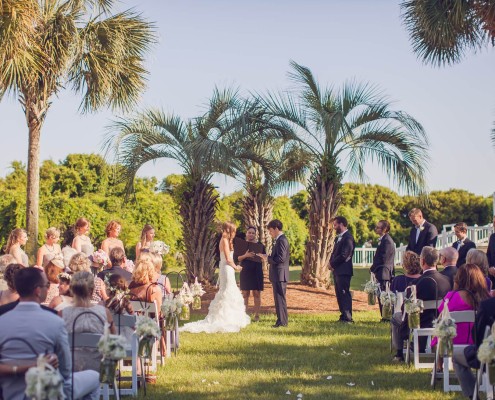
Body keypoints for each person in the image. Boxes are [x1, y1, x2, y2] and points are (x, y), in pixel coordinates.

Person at [0, 268, 100, 400]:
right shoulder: (55, 322)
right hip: (48, 392)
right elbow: (65, 369)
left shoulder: (2, 321)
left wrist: (18, 370)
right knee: (94, 377)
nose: (48, 289)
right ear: (37, 290)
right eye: (46, 285)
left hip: (9, 393)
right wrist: (34, 366)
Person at [181, 222, 250, 333]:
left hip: (228, 268)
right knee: (228, 290)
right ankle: (225, 318)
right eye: (234, 231)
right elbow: (228, 259)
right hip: (227, 268)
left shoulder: (227, 241)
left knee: (228, 290)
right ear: (229, 230)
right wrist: (236, 267)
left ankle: (232, 316)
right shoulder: (224, 241)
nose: (235, 233)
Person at [61, 271, 115, 372]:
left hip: (71, 368)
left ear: (72, 290)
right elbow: (113, 339)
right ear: (92, 290)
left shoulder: (63, 314)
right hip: (98, 367)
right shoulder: (104, 312)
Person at [431, 264, 489, 349]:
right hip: (479, 346)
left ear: (459, 279)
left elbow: (440, 316)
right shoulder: (486, 299)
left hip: (451, 345)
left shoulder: (450, 297)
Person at [453, 295, 495, 398]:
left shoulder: (488, 305)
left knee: (455, 355)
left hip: (489, 357)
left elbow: (477, 336)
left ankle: (473, 396)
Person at [329, 216, 355, 323]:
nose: (334, 227)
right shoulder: (338, 238)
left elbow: (345, 255)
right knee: (339, 293)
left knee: (344, 293)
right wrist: (330, 262)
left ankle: (348, 317)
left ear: (342, 224)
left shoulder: (348, 237)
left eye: (335, 225)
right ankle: (343, 315)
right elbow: (335, 253)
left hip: (344, 270)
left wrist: (332, 264)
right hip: (337, 270)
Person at [237, 226, 265, 322]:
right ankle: (244, 315)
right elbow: (237, 258)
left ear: (255, 234)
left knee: (257, 293)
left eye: (253, 233)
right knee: (245, 294)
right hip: (245, 271)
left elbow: (264, 257)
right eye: (249, 232)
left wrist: (261, 256)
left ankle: (257, 316)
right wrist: (246, 255)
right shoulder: (242, 244)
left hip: (257, 271)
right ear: (246, 233)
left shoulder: (260, 245)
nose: (251, 234)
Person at [370, 220, 395, 317]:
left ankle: (386, 316)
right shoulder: (383, 240)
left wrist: (373, 268)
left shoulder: (387, 241)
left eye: (378, 227)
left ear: (385, 229)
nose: (376, 229)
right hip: (381, 271)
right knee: (381, 295)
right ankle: (384, 315)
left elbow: (384, 258)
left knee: (384, 295)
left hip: (384, 272)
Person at [105, 273, 134, 341]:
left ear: (109, 289)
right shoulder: (128, 304)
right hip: (126, 342)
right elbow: (133, 324)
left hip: (109, 341)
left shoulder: (104, 305)